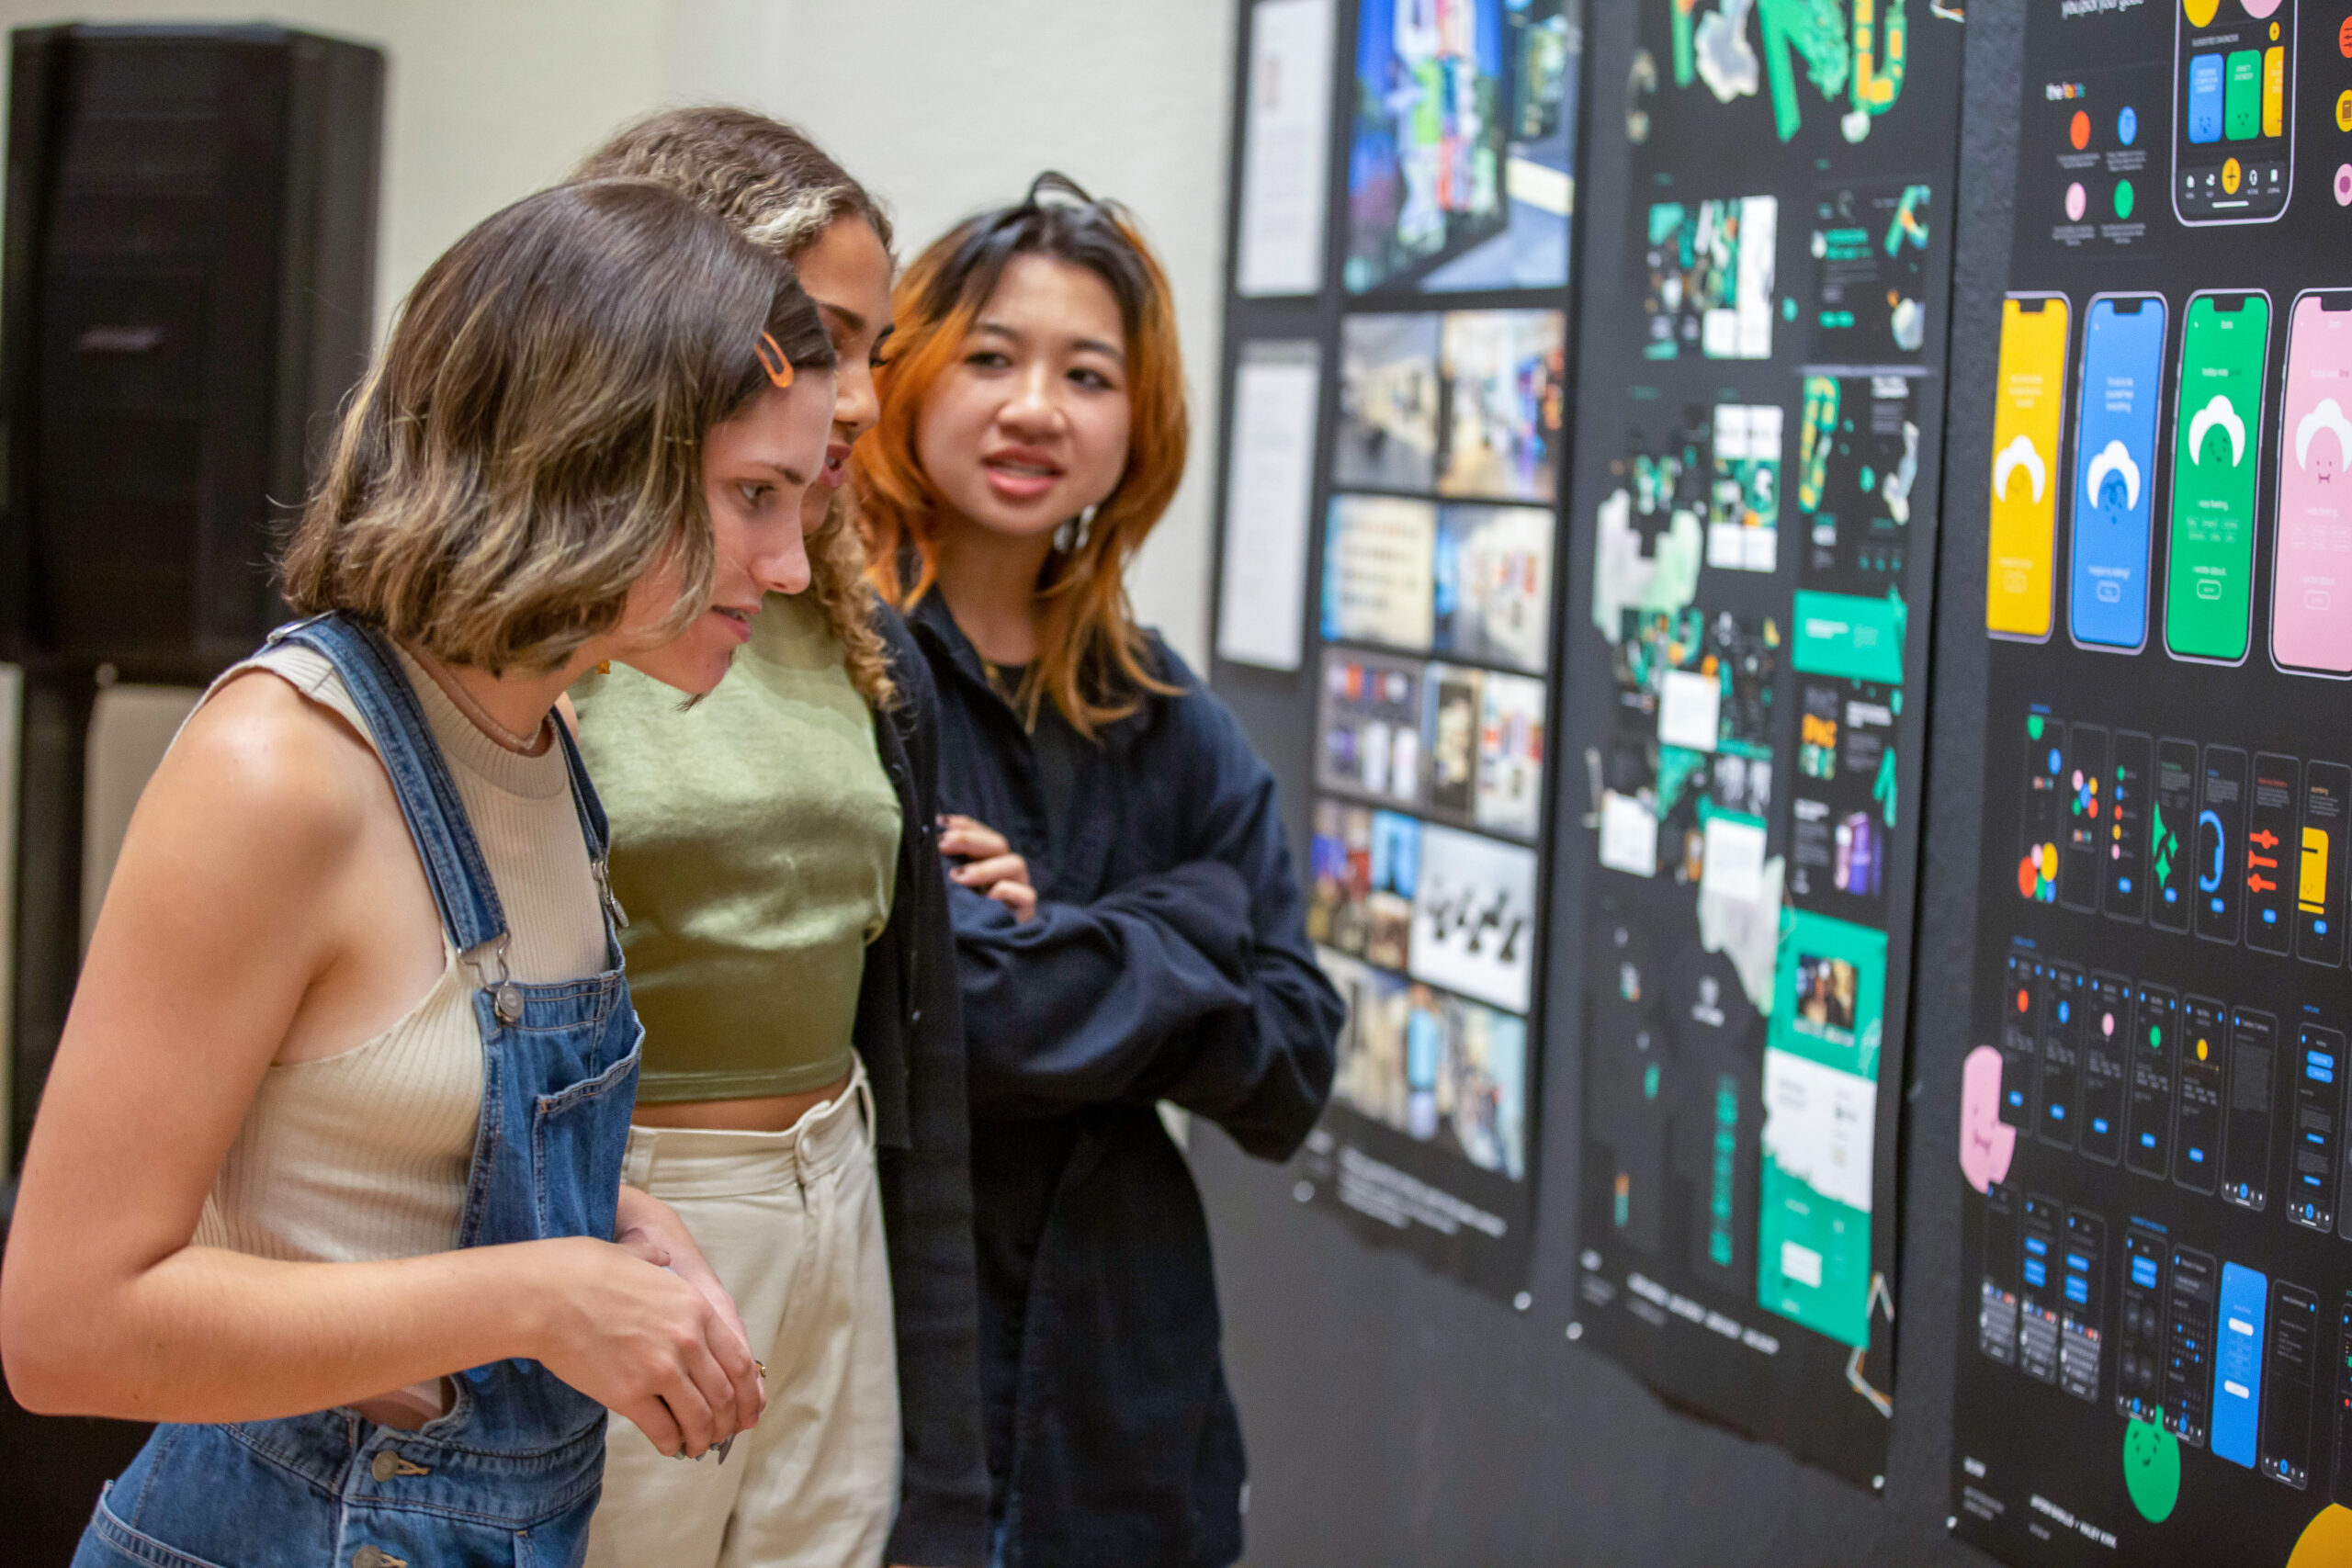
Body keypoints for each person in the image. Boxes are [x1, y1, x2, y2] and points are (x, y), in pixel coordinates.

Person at [0, 176, 838, 1566]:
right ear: (585, 457)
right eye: (755, 495)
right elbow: (67, 1326)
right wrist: (538, 1293)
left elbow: (373, 1152)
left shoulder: (545, 739)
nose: (794, 564)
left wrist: (612, 1229)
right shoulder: (282, 771)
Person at [854, 174, 1344, 1568]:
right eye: (992, 358)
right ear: (908, 372)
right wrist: (1188, 932)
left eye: (1087, 374)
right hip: (898, 1390)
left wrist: (1067, 934)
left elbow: (1295, 1059)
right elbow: (959, 1024)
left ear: (1139, 423)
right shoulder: (844, 673)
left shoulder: (1162, 711)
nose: (1035, 410)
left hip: (1132, 1409)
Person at [566, 109, 988, 1568]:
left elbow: (893, 985)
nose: (864, 398)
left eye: (878, 348)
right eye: (829, 339)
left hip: (837, 1182)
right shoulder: (546, 620)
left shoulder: (843, 615)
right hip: (631, 1215)